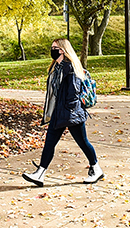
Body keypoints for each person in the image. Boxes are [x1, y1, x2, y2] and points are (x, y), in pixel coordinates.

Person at [22, 38, 103, 187]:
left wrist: (67, 113)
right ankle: (40, 174)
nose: (52, 50)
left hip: (71, 115)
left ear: (63, 51)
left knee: (83, 143)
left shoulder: (70, 68)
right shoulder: (57, 67)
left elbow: (73, 94)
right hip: (59, 114)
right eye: (52, 47)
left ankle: (96, 169)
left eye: (55, 48)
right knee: (49, 144)